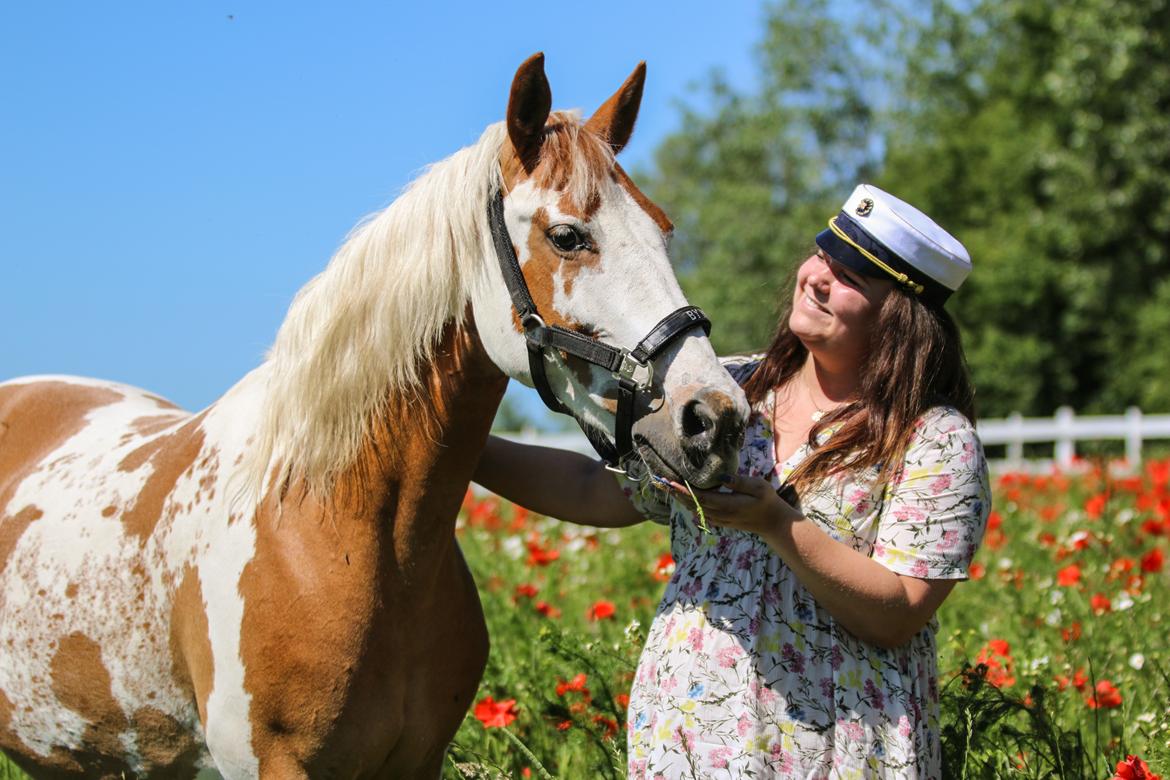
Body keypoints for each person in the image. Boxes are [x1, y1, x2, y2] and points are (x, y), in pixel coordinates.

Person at [474, 184, 991, 779]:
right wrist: (467, 455)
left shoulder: (934, 439)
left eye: (851, 276)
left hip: (834, 753)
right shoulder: (731, 389)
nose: (818, 277)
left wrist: (776, 524)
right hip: (688, 740)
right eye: (824, 254)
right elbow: (601, 488)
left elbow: (898, 612)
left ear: (901, 315)